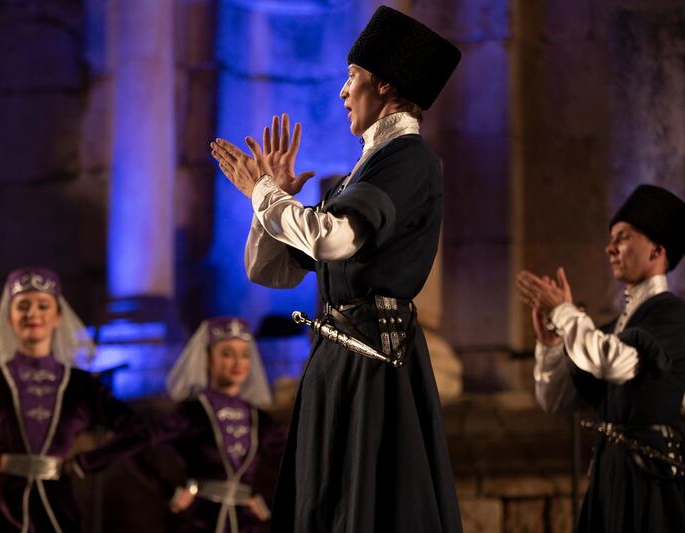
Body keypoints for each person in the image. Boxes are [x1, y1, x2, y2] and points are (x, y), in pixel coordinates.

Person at [210, 6, 462, 532]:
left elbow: (333, 239)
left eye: (352, 77)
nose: (343, 92)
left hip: (373, 358)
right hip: (340, 359)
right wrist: (270, 206)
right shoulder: (357, 175)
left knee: (366, 507)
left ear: (386, 85)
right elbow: (267, 270)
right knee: (327, 502)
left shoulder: (408, 158)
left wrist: (265, 194)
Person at [0, 267, 149, 532]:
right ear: (9, 318)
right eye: (23, 306)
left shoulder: (81, 385)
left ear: (58, 317)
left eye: (43, 305)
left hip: (57, 507)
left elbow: (139, 430)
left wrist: (88, 462)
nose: (33, 314)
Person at [516, 184, 685, 532]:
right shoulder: (612, 329)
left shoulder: (672, 317)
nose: (609, 248)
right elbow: (556, 400)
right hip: (610, 480)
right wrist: (550, 344)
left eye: (623, 237)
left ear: (657, 250)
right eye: (611, 238)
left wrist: (564, 313)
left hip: (650, 485)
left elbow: (616, 363)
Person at [135, 317, 285, 533]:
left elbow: (293, 464)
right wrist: (169, 491)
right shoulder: (191, 412)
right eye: (226, 353)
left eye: (244, 355)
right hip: (199, 520)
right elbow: (132, 444)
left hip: (245, 524)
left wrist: (269, 502)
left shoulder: (259, 418)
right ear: (207, 357)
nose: (237, 363)